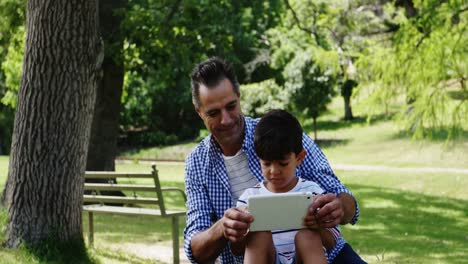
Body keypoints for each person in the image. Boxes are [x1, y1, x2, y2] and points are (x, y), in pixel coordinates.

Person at [184, 57, 365, 264]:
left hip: (320, 255)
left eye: (231, 106)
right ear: (199, 112)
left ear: (239, 97)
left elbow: (347, 203)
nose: (226, 120)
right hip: (257, 257)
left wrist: (338, 207)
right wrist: (222, 227)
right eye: (214, 113)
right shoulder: (197, 163)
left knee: (308, 239)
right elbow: (195, 250)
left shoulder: (277, 131)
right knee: (258, 237)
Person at [237, 109, 346, 264]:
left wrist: (319, 226)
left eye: (283, 163)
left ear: (299, 158)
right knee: (257, 236)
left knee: (307, 236)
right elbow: (237, 248)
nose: (274, 171)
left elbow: (331, 242)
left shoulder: (313, 192)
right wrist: (241, 229)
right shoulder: (249, 198)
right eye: (266, 163)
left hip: (303, 258)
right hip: (268, 258)